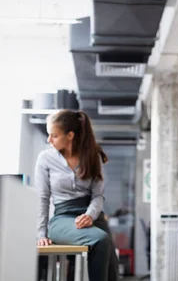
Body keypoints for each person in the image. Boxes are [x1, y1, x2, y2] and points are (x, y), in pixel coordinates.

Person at [35, 110, 119, 281]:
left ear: (70, 135)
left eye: (54, 135)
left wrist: (89, 215)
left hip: (92, 217)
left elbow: (98, 195)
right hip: (62, 218)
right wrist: (41, 234)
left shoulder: (92, 157)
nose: (49, 140)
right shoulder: (45, 158)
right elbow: (42, 198)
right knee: (100, 239)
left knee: (112, 270)